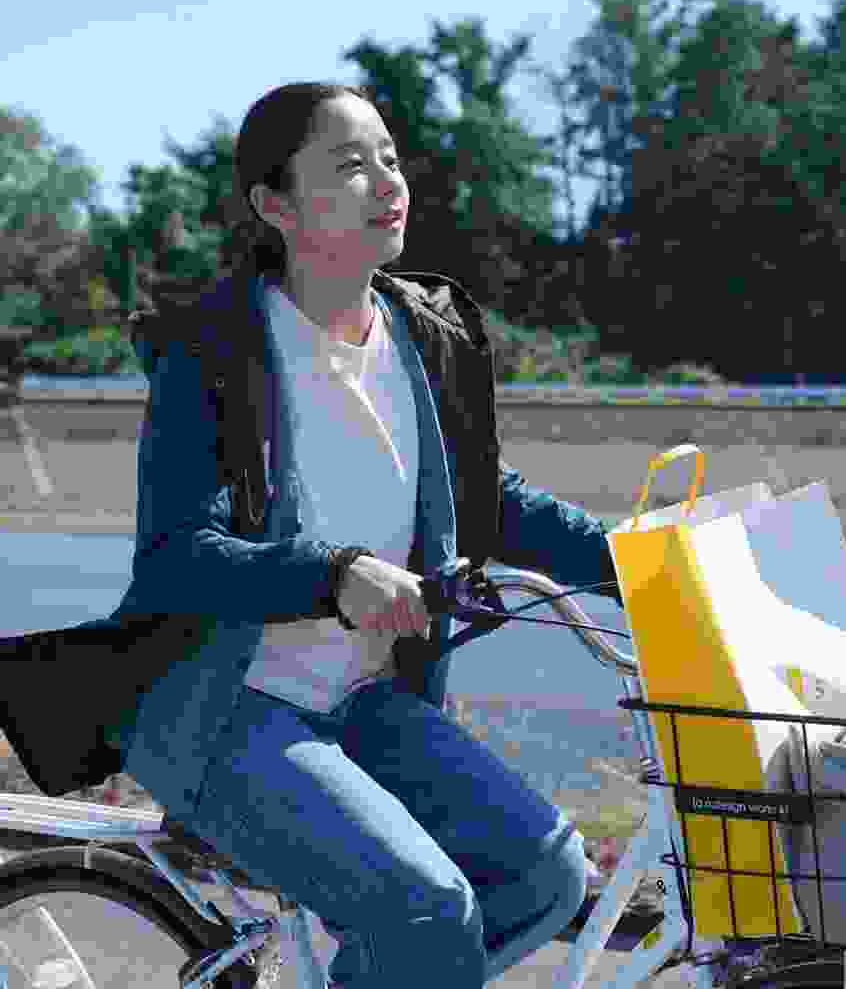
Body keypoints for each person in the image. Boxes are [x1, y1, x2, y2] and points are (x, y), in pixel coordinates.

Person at [109, 82, 623, 989]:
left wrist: (643, 564)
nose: (388, 183)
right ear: (275, 206)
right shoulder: (214, 352)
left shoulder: (426, 334)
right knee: (426, 907)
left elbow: (483, 502)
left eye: (389, 158)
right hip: (228, 708)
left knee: (546, 875)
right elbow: (179, 555)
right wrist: (336, 574)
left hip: (363, 705)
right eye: (350, 166)